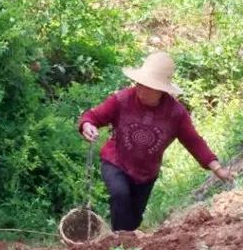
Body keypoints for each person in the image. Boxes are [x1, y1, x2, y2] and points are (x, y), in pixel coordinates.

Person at [78, 51, 232, 232]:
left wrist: (217, 168)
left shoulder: (176, 114)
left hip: (146, 174)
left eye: (149, 86)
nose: (141, 89)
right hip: (115, 162)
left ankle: (125, 246)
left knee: (133, 221)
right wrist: (87, 125)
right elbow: (94, 116)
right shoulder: (122, 99)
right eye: (140, 84)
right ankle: (119, 245)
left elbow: (194, 142)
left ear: (162, 90)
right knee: (120, 195)